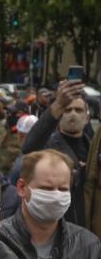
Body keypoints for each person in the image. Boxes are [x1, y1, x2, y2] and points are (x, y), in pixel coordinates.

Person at [23, 80, 90, 225]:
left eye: (78, 110)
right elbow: (28, 147)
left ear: (87, 118)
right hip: (59, 225)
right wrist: (59, 104)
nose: (73, 114)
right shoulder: (47, 146)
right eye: (67, 110)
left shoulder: (93, 149)